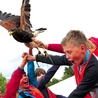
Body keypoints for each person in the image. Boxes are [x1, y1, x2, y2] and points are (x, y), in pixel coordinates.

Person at [25, 30, 98, 98]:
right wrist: (35, 58)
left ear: (82, 49)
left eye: (69, 52)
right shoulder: (79, 57)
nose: (66, 56)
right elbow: (57, 59)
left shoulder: (94, 68)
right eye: (65, 52)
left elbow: (79, 92)